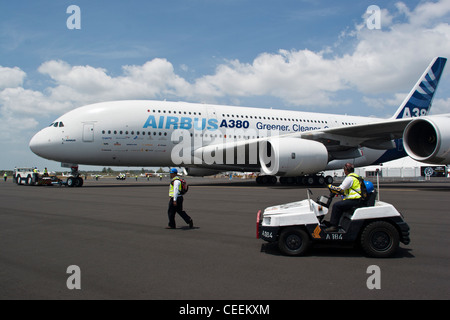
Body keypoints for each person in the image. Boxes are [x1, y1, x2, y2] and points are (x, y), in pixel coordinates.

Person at [324, 163, 363, 232]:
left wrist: (330, 186)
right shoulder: (356, 176)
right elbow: (345, 190)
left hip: (354, 200)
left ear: (346, 170)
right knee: (340, 205)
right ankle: (335, 223)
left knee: (336, 206)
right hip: (356, 199)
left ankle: (333, 226)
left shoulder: (349, 178)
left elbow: (340, 189)